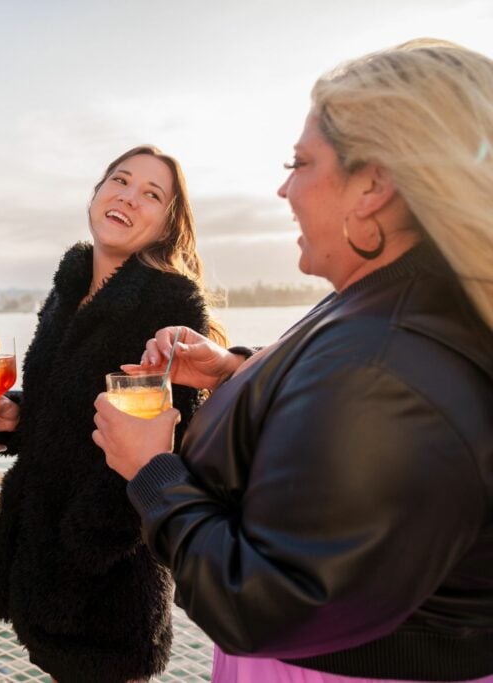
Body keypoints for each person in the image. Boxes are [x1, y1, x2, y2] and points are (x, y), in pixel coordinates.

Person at [94, 39, 493, 683]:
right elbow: (330, 396)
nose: (283, 188)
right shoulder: (391, 305)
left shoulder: (388, 364)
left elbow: (264, 605)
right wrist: (234, 370)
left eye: (300, 162)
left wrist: (150, 468)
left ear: (373, 185)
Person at [0, 145, 223, 682]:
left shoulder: (171, 304)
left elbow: (167, 443)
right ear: (96, 194)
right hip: (39, 566)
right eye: (120, 180)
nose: (128, 198)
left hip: (103, 581)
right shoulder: (70, 288)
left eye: (151, 195)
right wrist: (16, 417)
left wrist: (84, 545)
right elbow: (58, 407)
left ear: (166, 225)